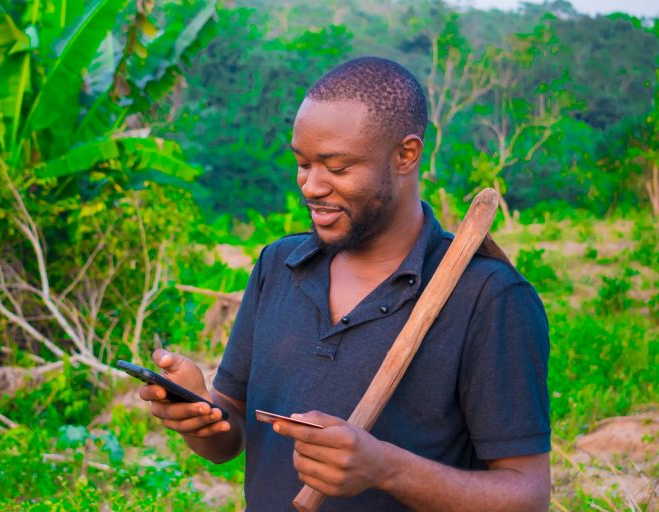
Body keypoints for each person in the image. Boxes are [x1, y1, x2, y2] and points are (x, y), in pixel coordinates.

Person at [139, 57, 551, 511]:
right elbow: (230, 436)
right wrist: (202, 415)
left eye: (337, 168)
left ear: (405, 155)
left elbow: (527, 496)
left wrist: (385, 469)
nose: (312, 186)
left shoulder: (488, 298)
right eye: (302, 163)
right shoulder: (279, 266)